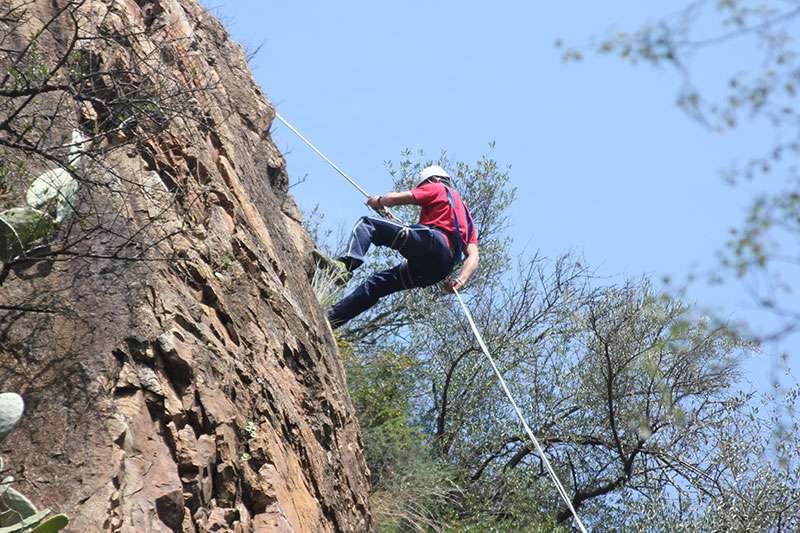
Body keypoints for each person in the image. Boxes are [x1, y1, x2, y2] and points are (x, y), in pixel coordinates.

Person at [323, 165, 479, 328]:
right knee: (378, 283)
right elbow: (474, 256)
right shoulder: (467, 217)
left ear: (433, 180)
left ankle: (345, 265)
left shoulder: (438, 187)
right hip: (440, 269)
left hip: (432, 242)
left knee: (367, 224)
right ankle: (332, 319)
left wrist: (379, 201)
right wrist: (460, 281)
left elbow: (393, 199)